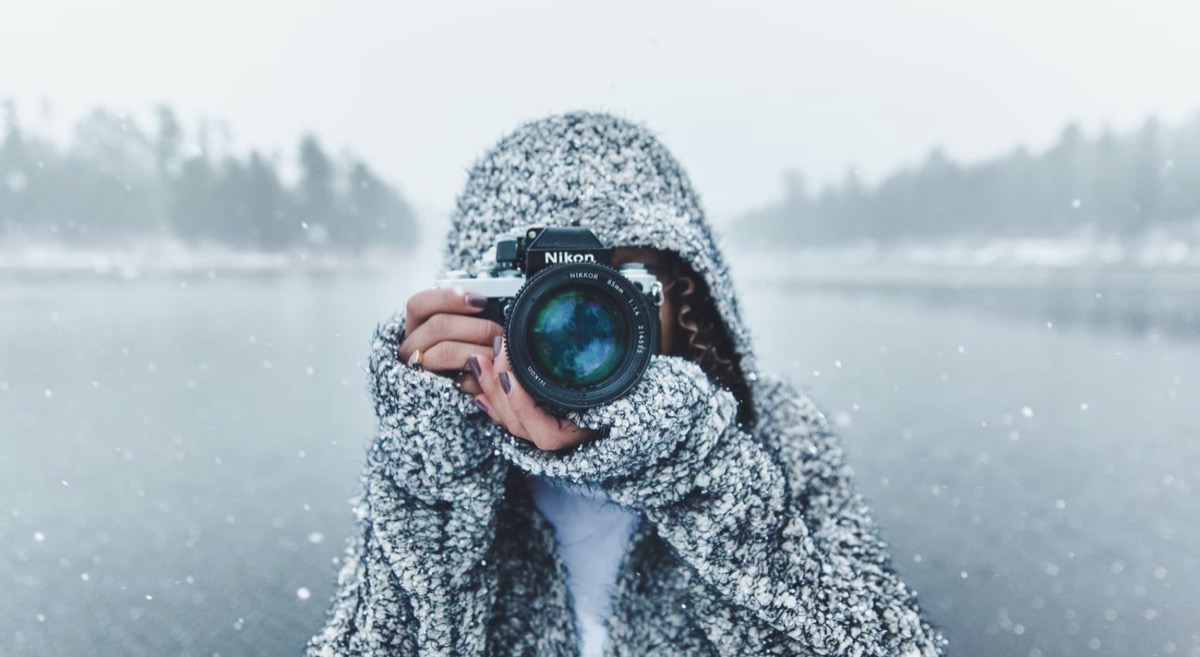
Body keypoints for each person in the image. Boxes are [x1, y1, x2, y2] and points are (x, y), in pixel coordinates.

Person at [307, 113, 946, 656]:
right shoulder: (444, 461)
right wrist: (431, 476)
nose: (578, 328)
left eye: (620, 290)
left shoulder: (774, 432)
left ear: (685, 294)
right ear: (476, 303)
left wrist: (699, 471)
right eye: (539, 299)